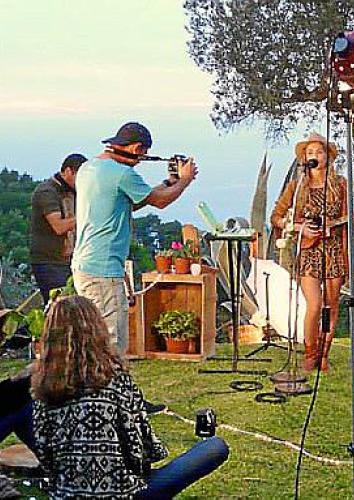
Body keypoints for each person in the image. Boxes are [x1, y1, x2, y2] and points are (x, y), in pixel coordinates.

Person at [29, 295, 229, 499]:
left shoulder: (43, 388)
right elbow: (140, 450)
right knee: (215, 447)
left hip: (67, 494)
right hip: (127, 494)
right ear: (97, 330)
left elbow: (44, 454)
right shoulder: (116, 379)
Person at [72, 122, 197, 356]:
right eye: (143, 154)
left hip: (84, 265)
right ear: (137, 148)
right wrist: (185, 180)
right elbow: (160, 201)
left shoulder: (89, 168)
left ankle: (94, 378)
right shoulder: (122, 173)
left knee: (94, 339)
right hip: (103, 270)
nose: (141, 160)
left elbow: (129, 201)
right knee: (112, 343)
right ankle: (111, 381)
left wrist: (170, 182)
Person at [271, 132, 348, 373]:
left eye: (319, 152)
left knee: (330, 307)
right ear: (305, 158)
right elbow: (276, 217)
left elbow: (346, 217)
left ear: (327, 157)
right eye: (310, 152)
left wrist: (341, 222)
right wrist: (299, 227)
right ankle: (310, 353)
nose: (315, 156)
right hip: (308, 252)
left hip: (333, 251)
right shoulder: (296, 187)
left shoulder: (340, 185)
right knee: (314, 305)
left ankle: (324, 354)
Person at [30, 153, 87, 304]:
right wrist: (89, 215)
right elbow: (59, 226)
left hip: (70, 260)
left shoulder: (74, 192)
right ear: (68, 171)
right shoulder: (47, 192)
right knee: (60, 306)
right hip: (49, 262)